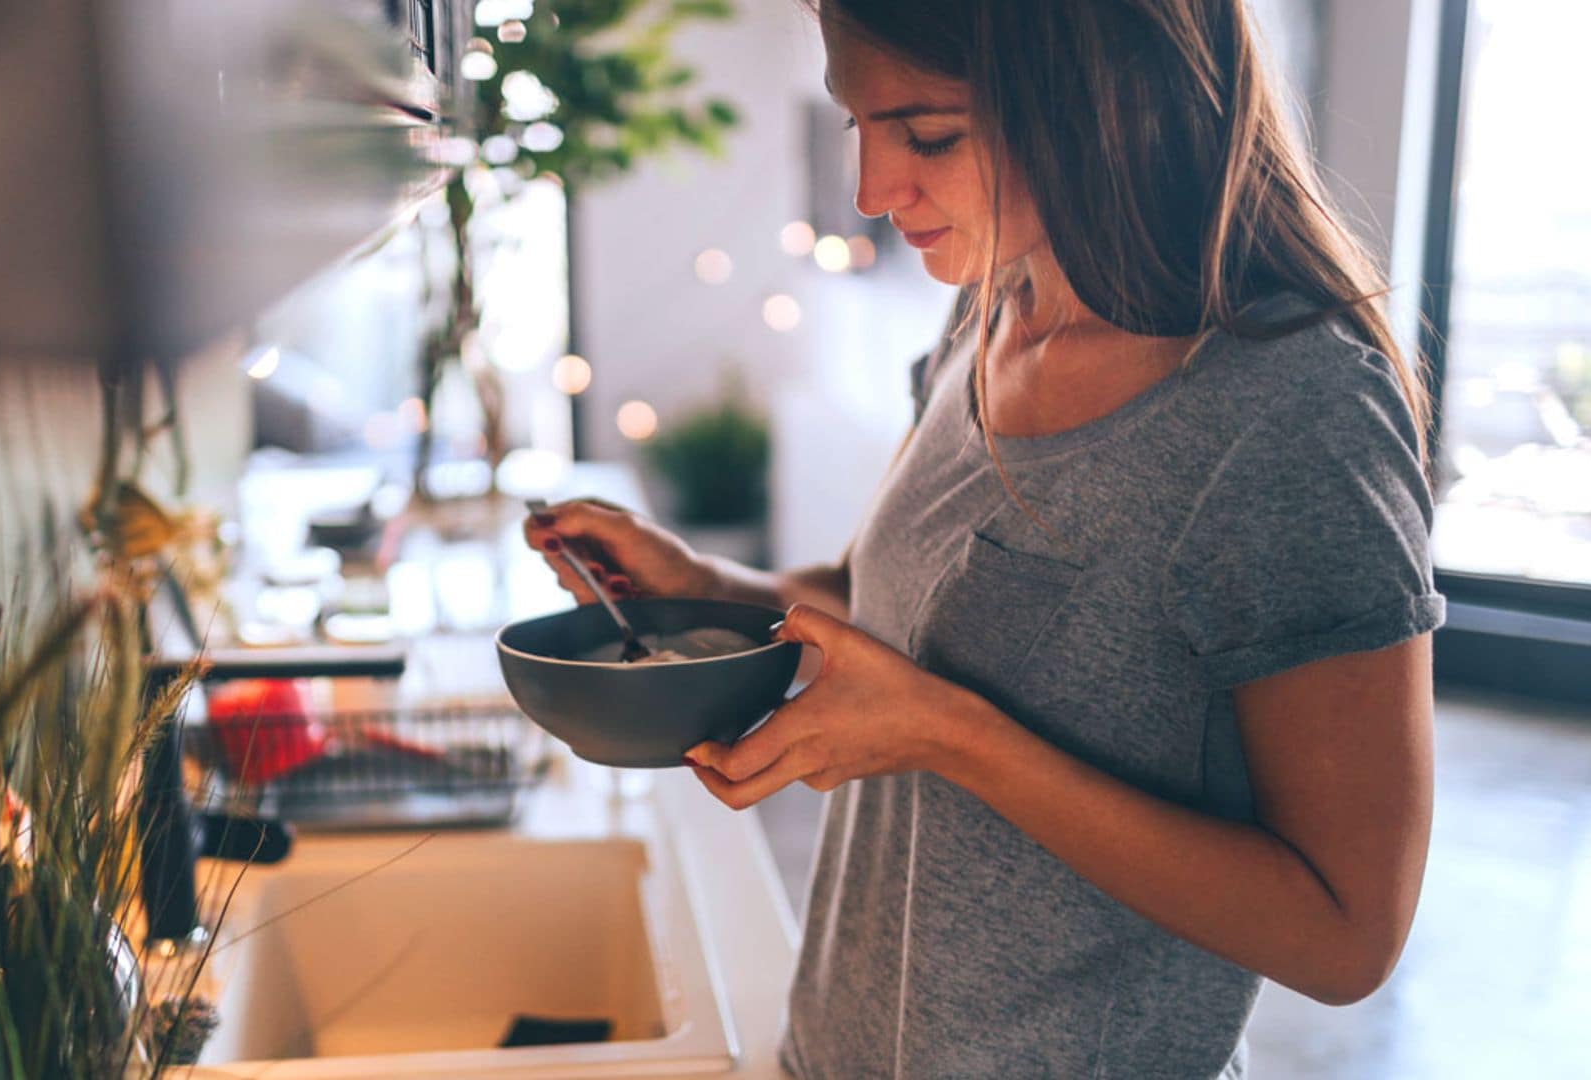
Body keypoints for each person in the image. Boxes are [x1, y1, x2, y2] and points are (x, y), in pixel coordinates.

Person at [524, 1, 1443, 1075]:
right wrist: (711, 589)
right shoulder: (996, 301)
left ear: (1106, 99)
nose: (873, 192)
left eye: (929, 134)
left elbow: (1345, 934)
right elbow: (905, 605)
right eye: (856, 124)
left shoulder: (1294, 416)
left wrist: (952, 739)